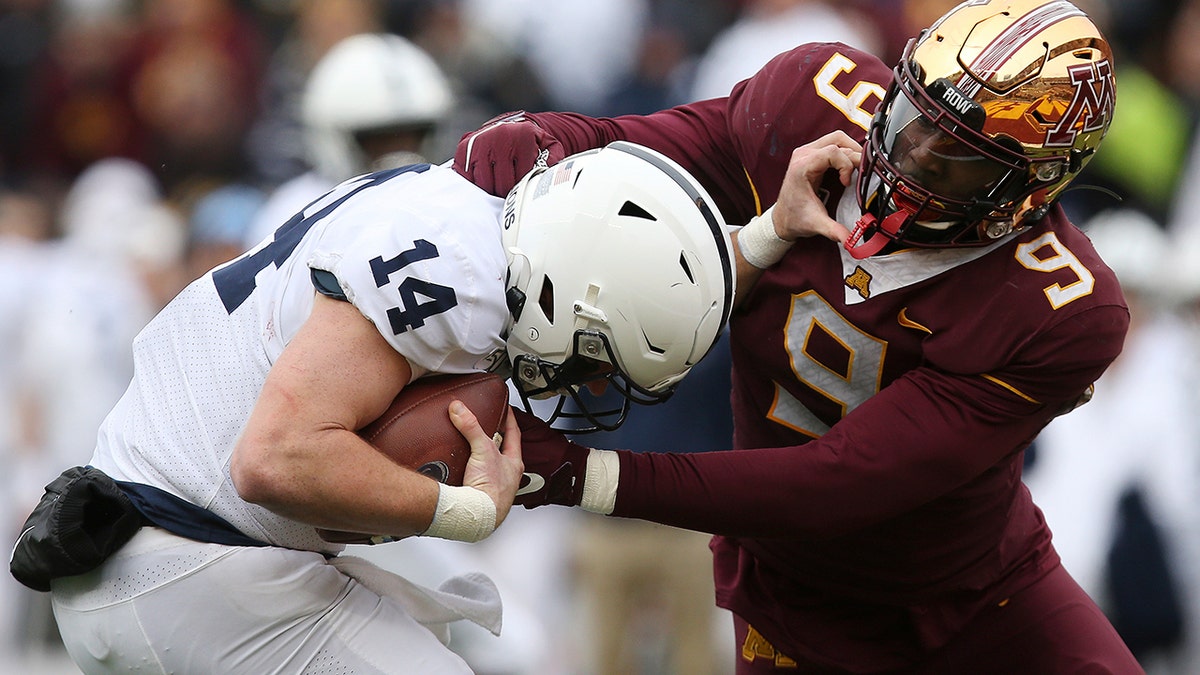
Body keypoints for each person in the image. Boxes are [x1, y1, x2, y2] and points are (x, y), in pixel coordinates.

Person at [452, 0, 1143, 672]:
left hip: (983, 599)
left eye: (952, 160)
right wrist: (550, 136)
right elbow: (650, 150)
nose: (910, 156)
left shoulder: (1059, 306)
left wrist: (587, 473)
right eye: (909, 119)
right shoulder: (812, 102)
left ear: (1028, 189)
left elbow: (834, 483)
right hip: (796, 602)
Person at [16, 141, 736, 674]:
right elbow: (274, 458)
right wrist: (464, 511)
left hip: (162, 553)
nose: (594, 385)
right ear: (574, 285)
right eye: (595, 355)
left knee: (446, 636)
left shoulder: (467, 213)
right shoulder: (460, 277)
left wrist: (759, 238)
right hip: (179, 561)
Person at [245, 31, 454, 248]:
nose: (398, 154)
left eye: (412, 137)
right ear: (335, 138)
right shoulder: (292, 219)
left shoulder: (456, 204)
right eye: (380, 141)